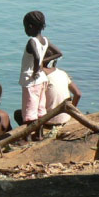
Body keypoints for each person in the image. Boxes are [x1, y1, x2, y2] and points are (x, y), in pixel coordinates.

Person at [19, 10, 62, 141]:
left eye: (25, 26)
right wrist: (44, 63)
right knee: (40, 109)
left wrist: (36, 70)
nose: (25, 30)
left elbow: (37, 56)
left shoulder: (31, 41)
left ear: (31, 26)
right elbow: (59, 53)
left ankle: (27, 138)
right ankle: (39, 135)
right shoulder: (44, 40)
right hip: (42, 80)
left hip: (31, 81)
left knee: (29, 111)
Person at [43, 60, 82, 126]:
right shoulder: (62, 73)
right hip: (66, 118)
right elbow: (78, 94)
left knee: (20, 114)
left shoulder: (43, 77)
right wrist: (71, 111)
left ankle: (35, 134)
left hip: (47, 120)